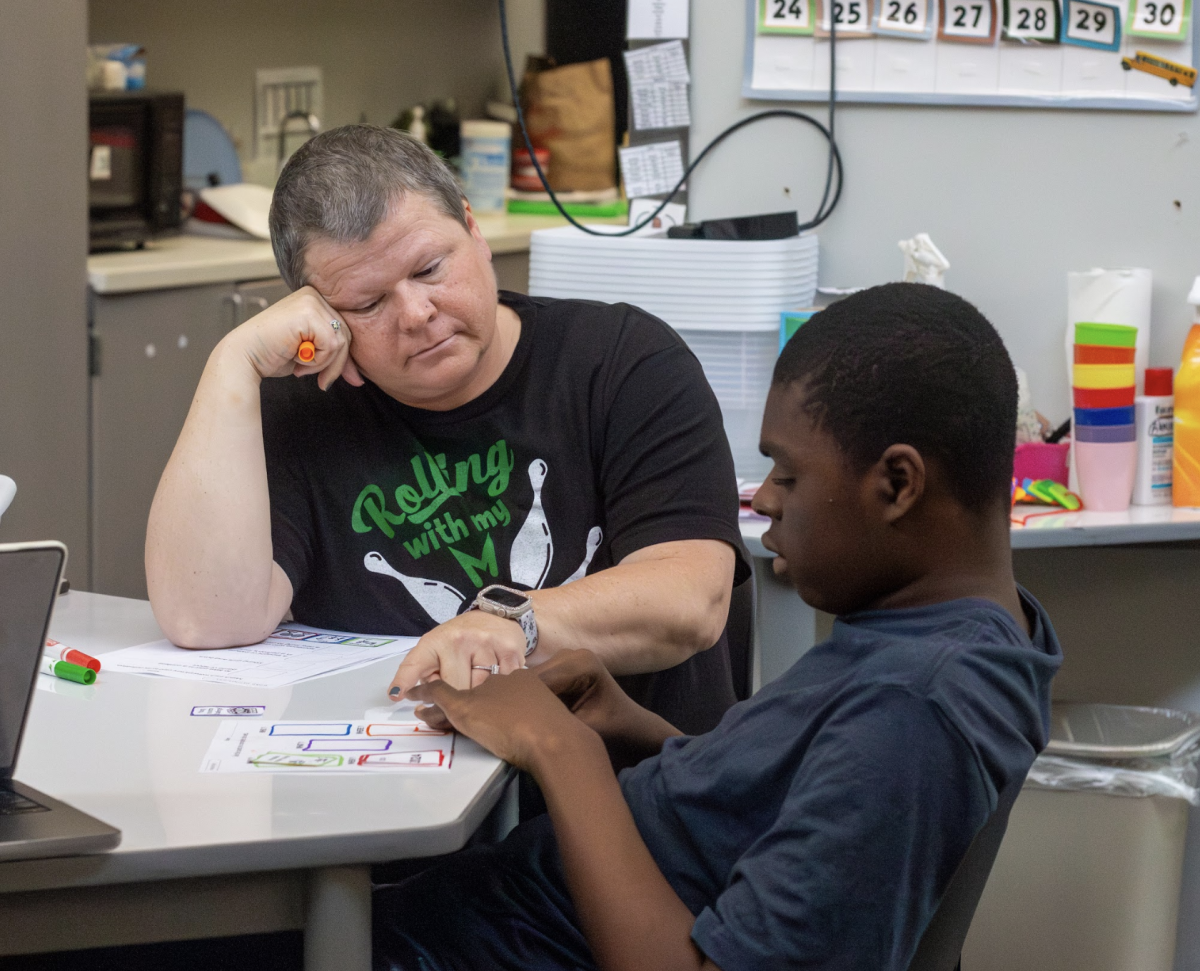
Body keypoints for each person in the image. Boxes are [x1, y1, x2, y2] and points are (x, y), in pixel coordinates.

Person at [371, 283, 1063, 971]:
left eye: (787, 474)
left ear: (898, 485)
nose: (763, 499)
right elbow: (806, 809)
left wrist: (560, 748)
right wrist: (634, 726)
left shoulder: (914, 709)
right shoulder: (973, 631)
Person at [145, 125, 749, 733]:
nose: (416, 314)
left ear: (473, 228)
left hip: (630, 794)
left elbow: (691, 600)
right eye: (367, 304)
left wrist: (511, 621)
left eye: (431, 269)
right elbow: (208, 620)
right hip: (403, 794)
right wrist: (234, 362)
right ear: (316, 311)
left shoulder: (623, 361)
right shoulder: (302, 410)